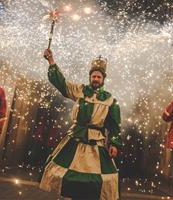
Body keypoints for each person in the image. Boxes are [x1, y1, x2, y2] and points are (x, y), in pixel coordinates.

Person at [39, 49, 122, 200]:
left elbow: (115, 125)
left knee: (98, 177)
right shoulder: (80, 90)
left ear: (103, 79)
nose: (96, 79)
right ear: (90, 77)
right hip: (76, 137)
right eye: (93, 76)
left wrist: (114, 144)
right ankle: (68, 196)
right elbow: (61, 83)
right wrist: (51, 61)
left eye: (98, 76)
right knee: (67, 172)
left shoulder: (110, 100)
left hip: (96, 141)